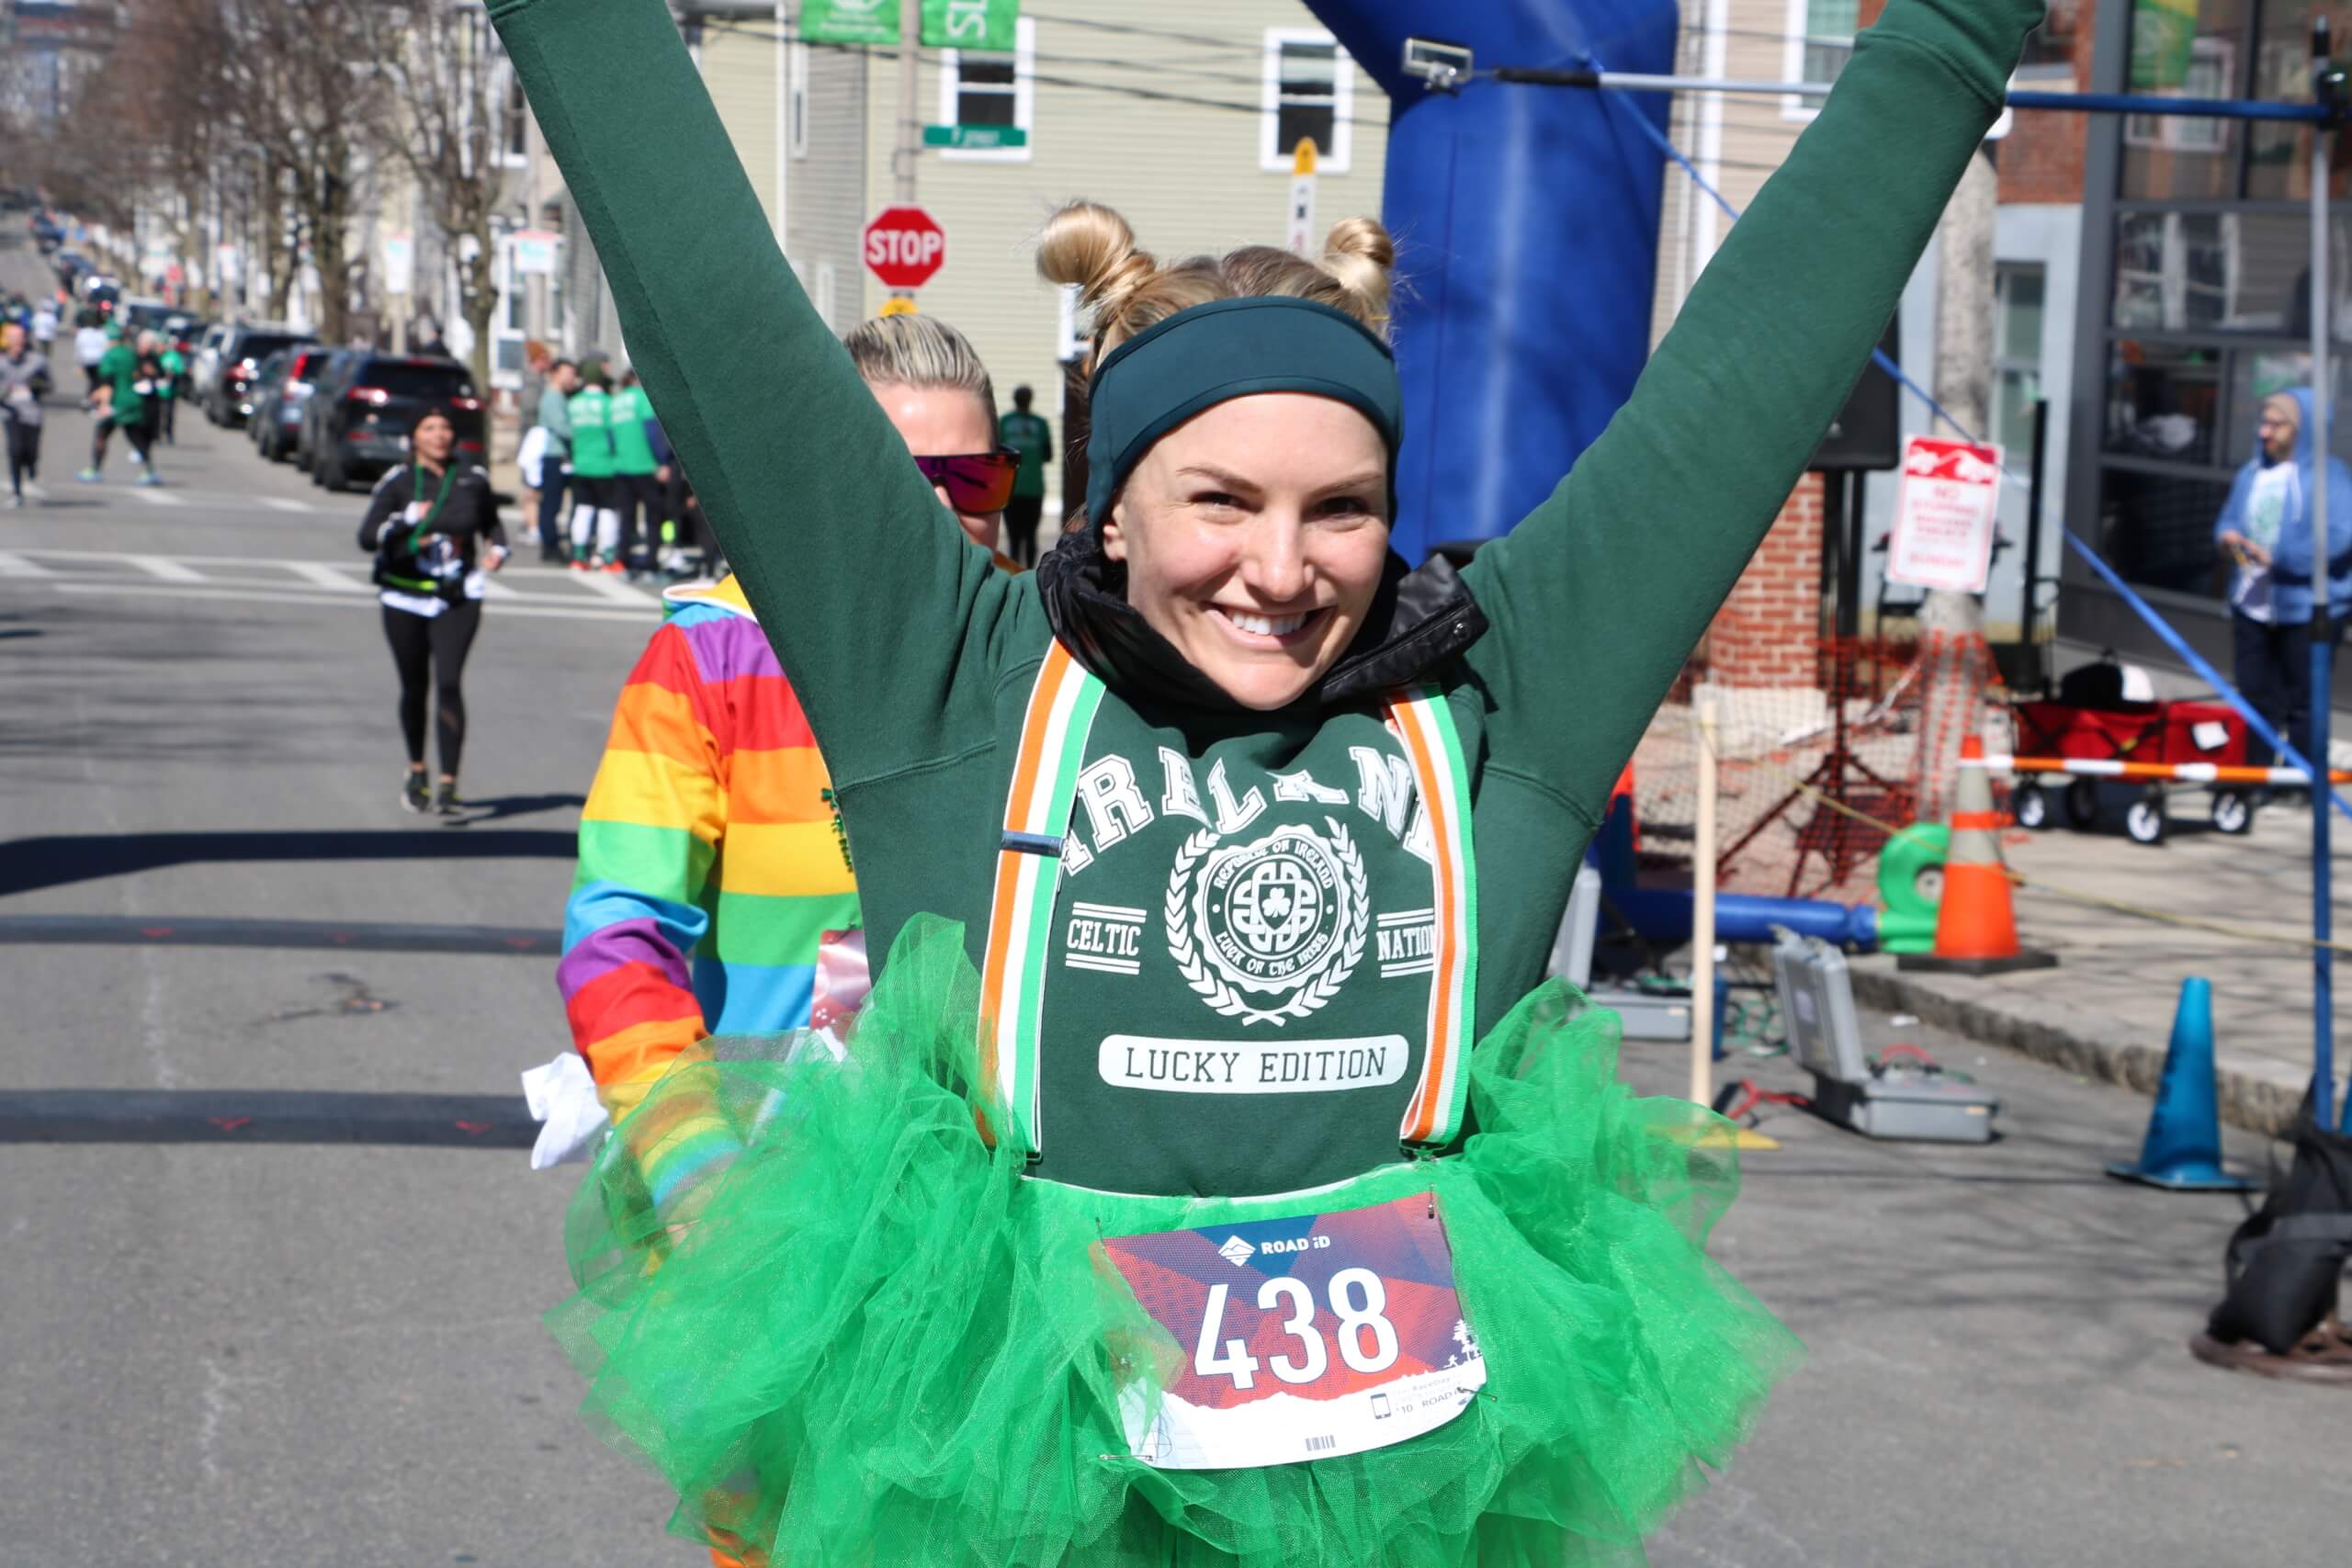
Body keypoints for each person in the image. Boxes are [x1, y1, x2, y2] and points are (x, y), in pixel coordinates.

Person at [497, 0, 2036, 1561]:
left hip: (1394, 1486)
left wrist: (1960, 37)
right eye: (1218, 500)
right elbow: (704, 284)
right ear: (1108, 508)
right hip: (1002, 1457)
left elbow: (1755, 360)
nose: (1283, 570)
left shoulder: (1500, 693)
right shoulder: (949, 675)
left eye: (1343, 507)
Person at [357, 409, 510, 814]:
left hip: (457, 595)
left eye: (445, 428)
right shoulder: (399, 481)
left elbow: (492, 525)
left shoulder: (473, 479)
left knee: (448, 683)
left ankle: (449, 783)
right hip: (404, 595)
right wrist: (406, 521)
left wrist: (498, 549)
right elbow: (368, 537)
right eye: (429, 428)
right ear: (414, 438)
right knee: (415, 687)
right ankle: (417, 769)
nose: (440, 435)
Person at [2214, 388, 2352, 775]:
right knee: (2255, 695)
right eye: (2263, 421)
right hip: (2253, 605)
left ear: (2303, 429)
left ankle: (2303, 780)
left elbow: (2341, 535)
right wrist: (2228, 539)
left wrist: (2281, 559)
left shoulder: (2331, 477)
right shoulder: (2252, 472)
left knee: (2304, 700)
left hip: (2308, 610)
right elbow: (2227, 518)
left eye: (2277, 424)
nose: (2265, 432)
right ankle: (2254, 776)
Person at [82, 328, 164, 486]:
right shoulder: (130, 354)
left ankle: (94, 469)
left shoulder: (110, 356)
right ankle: (150, 470)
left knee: (101, 434)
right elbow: (139, 374)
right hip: (134, 400)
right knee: (135, 437)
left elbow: (108, 383)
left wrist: (101, 403)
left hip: (116, 403)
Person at [566, 357, 620, 571]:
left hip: (581, 464)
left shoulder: (573, 403)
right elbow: (614, 435)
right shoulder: (609, 404)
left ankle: (578, 556)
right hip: (605, 465)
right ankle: (607, 557)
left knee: (582, 510)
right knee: (607, 511)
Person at [999, 381, 1053, 567]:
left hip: (1010, 488)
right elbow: (1048, 455)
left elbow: (998, 453)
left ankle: (1015, 574)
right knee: (1030, 536)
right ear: (1031, 400)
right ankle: (1030, 574)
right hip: (1034, 487)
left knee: (1014, 538)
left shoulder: (1005, 422)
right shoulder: (1040, 423)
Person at [532, 357, 579, 563]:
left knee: (556, 503)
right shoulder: (553, 397)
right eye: (567, 373)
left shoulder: (561, 396)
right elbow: (562, 428)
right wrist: (585, 433)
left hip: (559, 457)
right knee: (551, 504)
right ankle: (550, 546)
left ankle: (552, 544)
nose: (572, 378)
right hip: (554, 457)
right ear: (555, 374)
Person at [1, 320, 51, 508]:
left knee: (31, 452)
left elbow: (49, 384)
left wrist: (36, 386)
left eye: (20, 338)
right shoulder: (2, 362)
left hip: (33, 413)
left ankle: (31, 467)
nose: (17, 342)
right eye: (13, 338)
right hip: (10, 413)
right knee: (15, 451)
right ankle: (16, 493)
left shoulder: (37, 361)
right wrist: (6, 392)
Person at [72, 312, 107, 406]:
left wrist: (78, 364)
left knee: (94, 380)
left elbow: (78, 348)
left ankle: (90, 398)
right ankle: (90, 399)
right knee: (96, 381)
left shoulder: (83, 332)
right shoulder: (103, 333)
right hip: (98, 360)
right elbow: (105, 348)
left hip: (86, 360)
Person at [156, 335, 186, 444]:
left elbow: (180, 370)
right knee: (157, 414)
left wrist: (172, 374)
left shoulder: (174, 356)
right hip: (156, 391)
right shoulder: (157, 356)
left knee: (168, 414)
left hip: (170, 391)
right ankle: (157, 434)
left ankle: (168, 434)